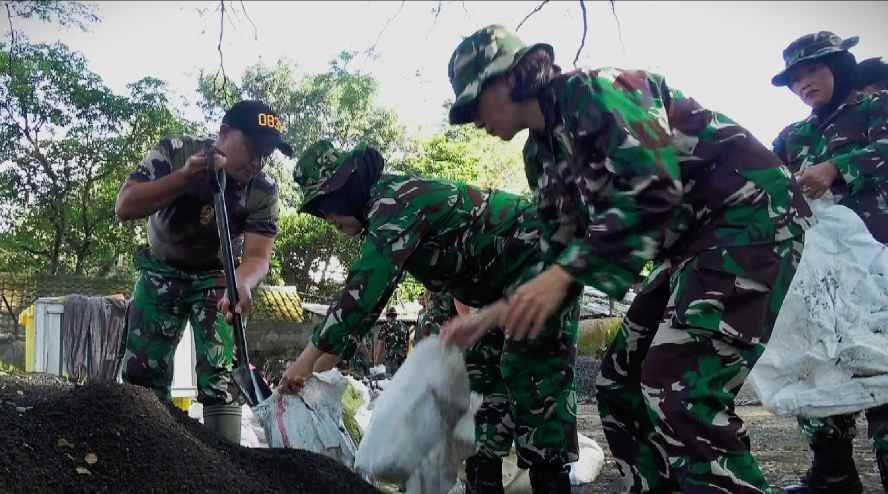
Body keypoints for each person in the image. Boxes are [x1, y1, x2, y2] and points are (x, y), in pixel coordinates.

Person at [442, 24, 811, 494]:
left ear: (510, 79)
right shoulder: (540, 154)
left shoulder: (596, 89)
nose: (473, 119)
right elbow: (558, 251)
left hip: (750, 216)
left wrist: (563, 273)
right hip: (688, 245)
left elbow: (654, 182)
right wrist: (495, 313)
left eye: (474, 102)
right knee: (622, 382)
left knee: (680, 386)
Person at [278, 140, 581, 493]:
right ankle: (483, 485)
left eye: (327, 206)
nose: (328, 219)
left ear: (346, 191)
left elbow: (362, 294)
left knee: (533, 380)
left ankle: (552, 482)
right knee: (480, 387)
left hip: (541, 262)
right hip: (495, 294)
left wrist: (304, 362)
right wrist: (314, 377)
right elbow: (361, 312)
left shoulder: (395, 202)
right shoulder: (386, 212)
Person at [115, 100, 291, 438]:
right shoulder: (175, 152)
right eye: (251, 149)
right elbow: (125, 205)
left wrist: (243, 283)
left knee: (221, 376)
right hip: (160, 271)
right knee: (141, 372)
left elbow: (257, 255)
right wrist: (184, 178)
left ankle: (220, 466)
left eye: (264, 155)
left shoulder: (262, 189)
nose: (256, 162)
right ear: (223, 134)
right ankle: (145, 450)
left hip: (218, 278)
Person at [771, 31, 888, 494]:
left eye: (813, 72)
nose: (804, 85)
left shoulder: (876, 109)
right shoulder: (793, 135)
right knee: (818, 372)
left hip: (878, 269)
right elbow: (763, 182)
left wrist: (839, 168)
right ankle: (833, 476)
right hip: (820, 278)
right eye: (795, 79)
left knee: (883, 371)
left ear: (839, 68)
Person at [373, 306, 409, 376]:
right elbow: (407, 344)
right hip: (402, 359)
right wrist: (405, 356)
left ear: (388, 316)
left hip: (391, 359)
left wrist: (376, 361)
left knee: (391, 380)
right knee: (401, 378)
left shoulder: (386, 326)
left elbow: (381, 344)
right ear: (396, 316)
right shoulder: (404, 326)